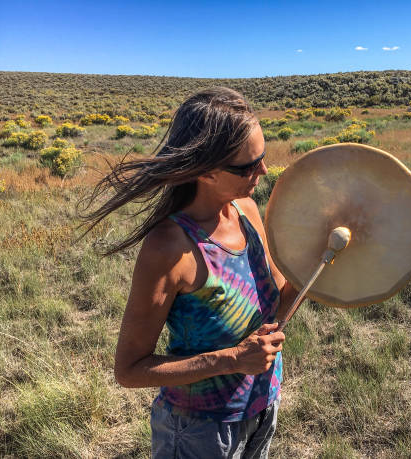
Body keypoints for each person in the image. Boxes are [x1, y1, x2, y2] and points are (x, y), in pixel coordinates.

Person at [80, 87, 298, 458]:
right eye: (248, 165)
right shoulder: (170, 247)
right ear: (206, 171)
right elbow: (130, 370)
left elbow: (278, 303)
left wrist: (322, 260)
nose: (263, 170)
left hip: (262, 407)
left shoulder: (247, 209)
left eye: (263, 156)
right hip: (199, 431)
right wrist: (231, 359)